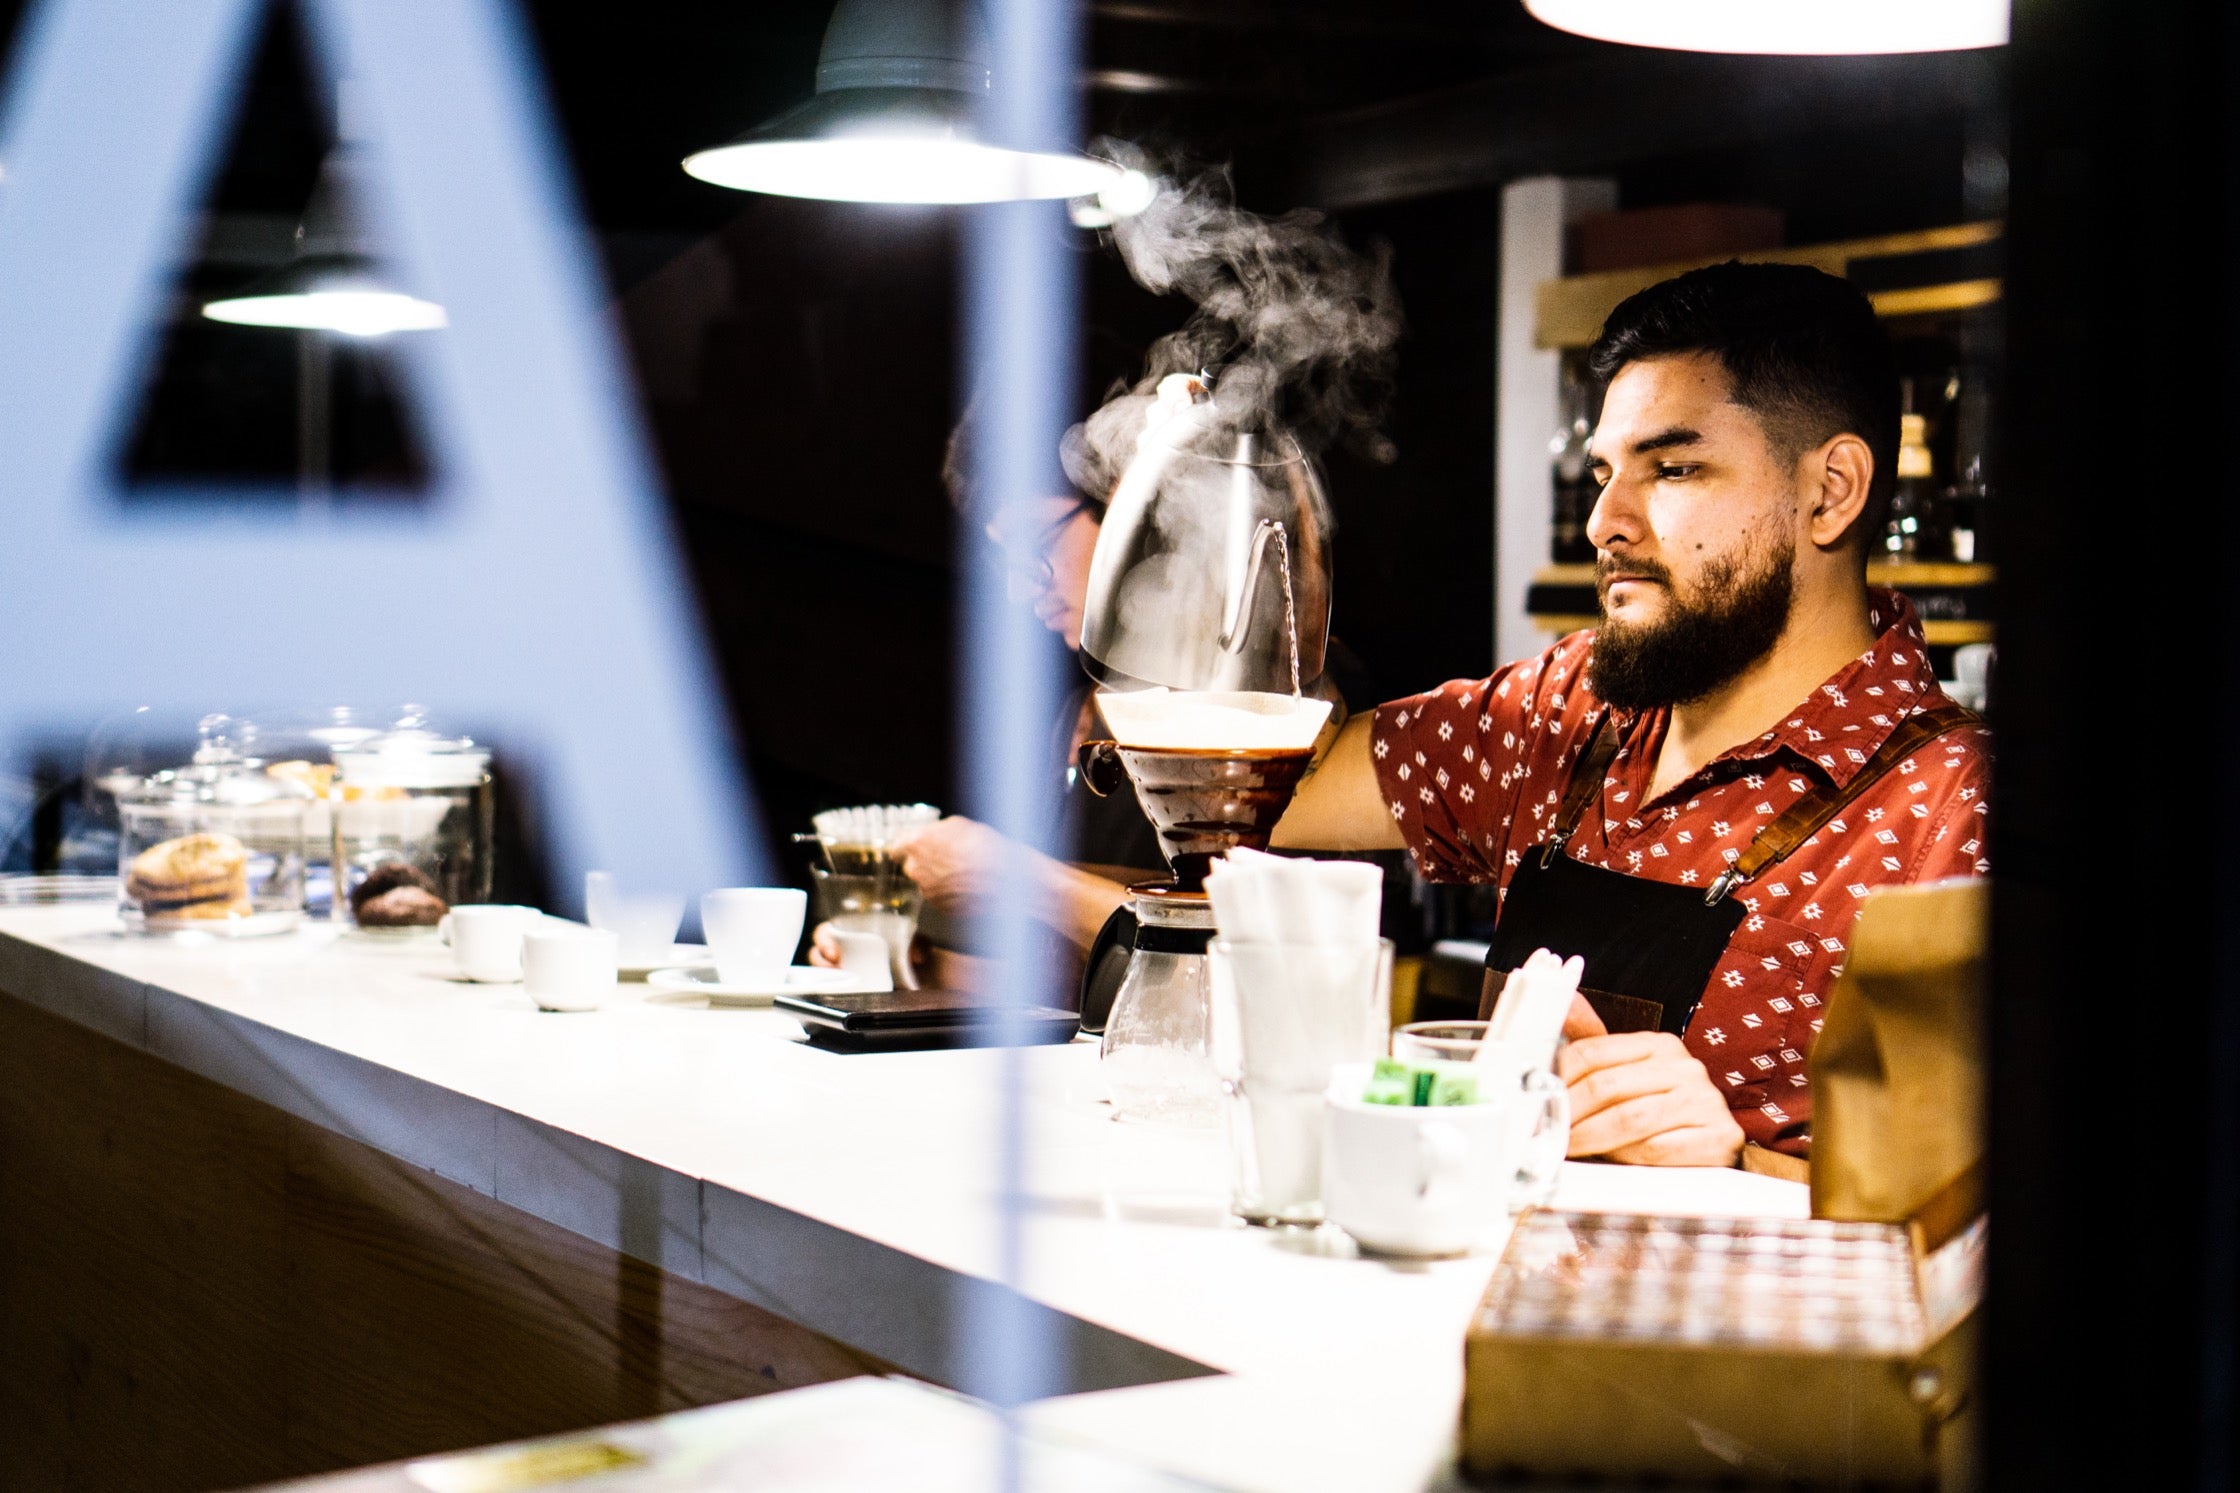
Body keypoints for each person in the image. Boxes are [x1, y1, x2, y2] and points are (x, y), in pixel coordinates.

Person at [1275, 262, 1990, 1173]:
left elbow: (1977, 1231)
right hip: (1485, 1302)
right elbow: (1270, 793)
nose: (1605, 522)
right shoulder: (1568, 710)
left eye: (1674, 468)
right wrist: (1253, 566)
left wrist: (1738, 1162)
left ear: (1830, 491)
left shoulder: (1953, 814)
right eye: (1606, 472)